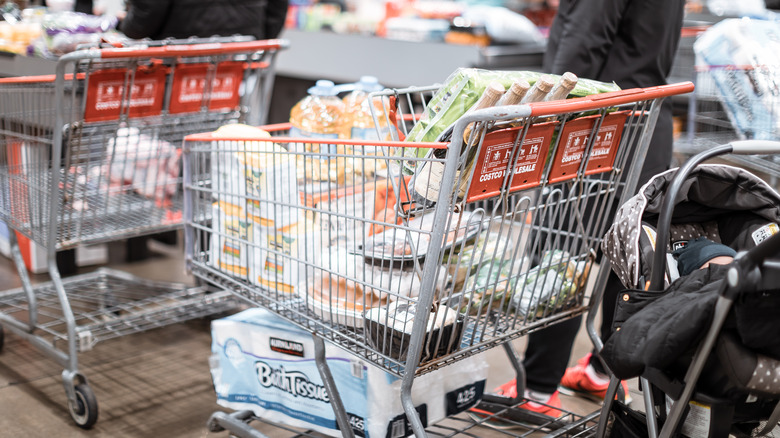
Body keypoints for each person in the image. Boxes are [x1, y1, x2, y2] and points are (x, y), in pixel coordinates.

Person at [487, 0, 686, 415]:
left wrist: (546, 116)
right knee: (626, 253)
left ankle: (537, 391)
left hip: (598, 128)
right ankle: (602, 371)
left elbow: (578, 55)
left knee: (560, 252)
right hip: (646, 122)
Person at [119, 0, 289, 41]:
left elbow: (146, 16)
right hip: (242, 54)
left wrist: (126, 26)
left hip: (180, 55)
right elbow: (277, 10)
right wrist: (261, 40)